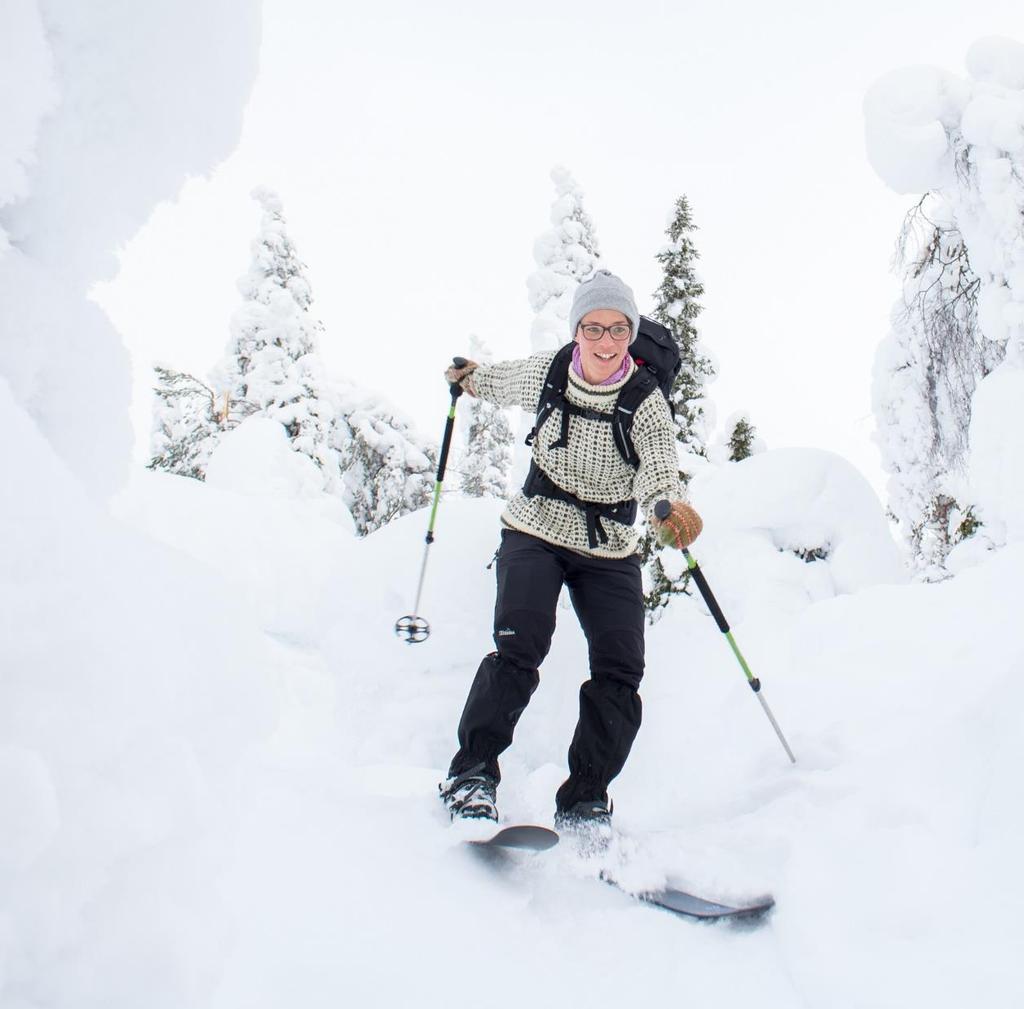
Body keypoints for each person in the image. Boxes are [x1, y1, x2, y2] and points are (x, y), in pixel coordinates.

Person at [438, 269, 703, 833]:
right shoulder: (552, 371)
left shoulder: (646, 401)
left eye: (616, 329)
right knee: (519, 644)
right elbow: (501, 381)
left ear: (631, 332)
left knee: (620, 667)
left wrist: (669, 508)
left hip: (608, 545)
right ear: (577, 330)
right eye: (592, 328)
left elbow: (659, 468)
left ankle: (585, 798)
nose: (605, 342)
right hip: (535, 525)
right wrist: (469, 380)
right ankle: (472, 776)